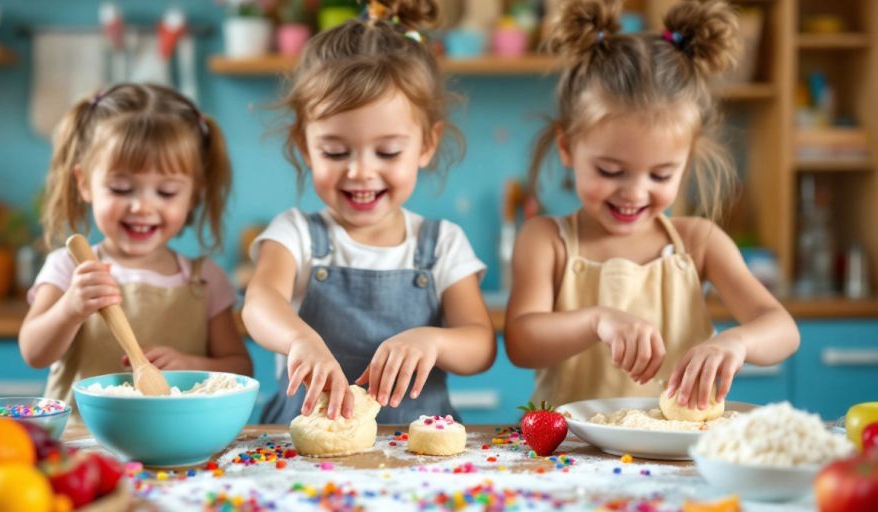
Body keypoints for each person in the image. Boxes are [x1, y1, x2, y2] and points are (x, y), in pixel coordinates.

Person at [504, 0, 799, 411]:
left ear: (687, 162)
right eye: (610, 170)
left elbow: (782, 328)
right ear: (567, 147)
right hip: (569, 451)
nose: (634, 193)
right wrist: (597, 319)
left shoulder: (699, 241)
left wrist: (736, 341)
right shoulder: (546, 240)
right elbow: (521, 343)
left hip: (679, 451)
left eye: (660, 176)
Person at [242, 0, 496, 424]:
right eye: (336, 151)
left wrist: (430, 341)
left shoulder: (443, 243)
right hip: (302, 450)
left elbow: (480, 344)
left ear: (427, 145)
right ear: (305, 145)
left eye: (388, 151)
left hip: (415, 451)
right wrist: (299, 339)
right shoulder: (295, 233)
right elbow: (258, 304)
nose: (360, 171)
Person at [19, 83, 252, 409]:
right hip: (79, 443)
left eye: (167, 192)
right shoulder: (69, 268)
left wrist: (191, 366)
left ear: (195, 194)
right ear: (85, 183)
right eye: (121, 188)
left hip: (175, 445)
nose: (141, 207)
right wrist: (71, 308)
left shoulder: (206, 279)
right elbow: (33, 352)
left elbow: (241, 368)